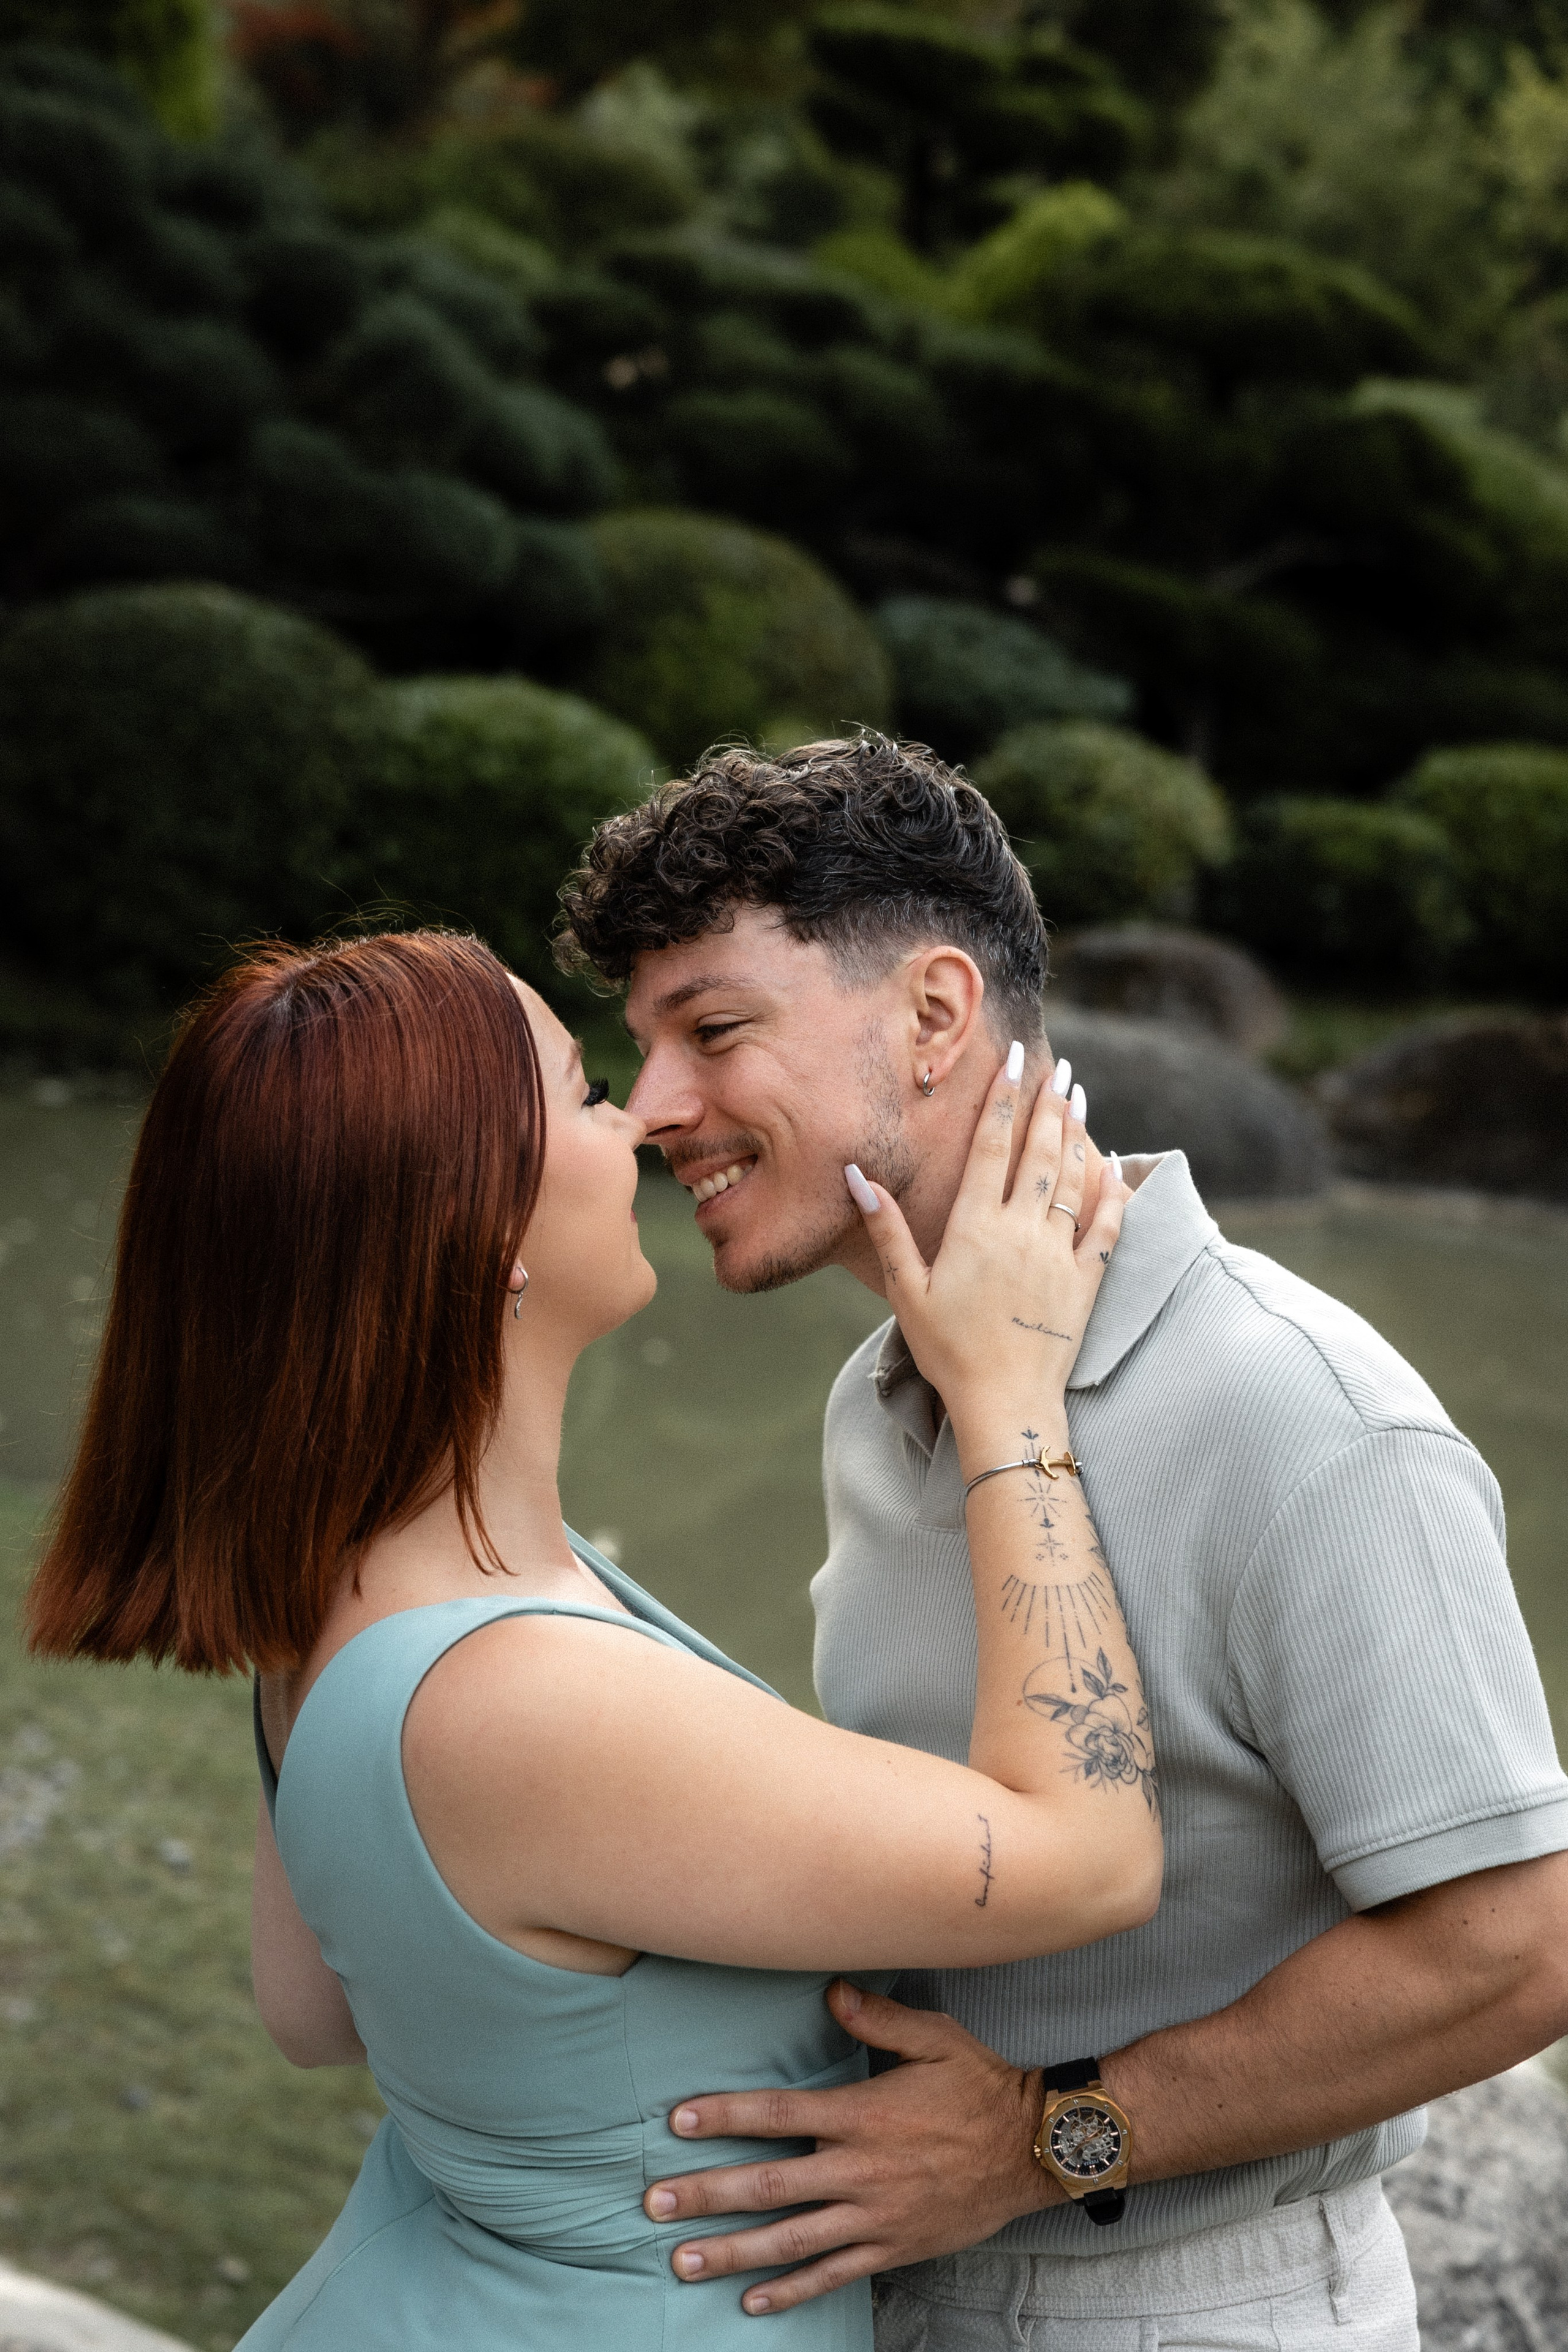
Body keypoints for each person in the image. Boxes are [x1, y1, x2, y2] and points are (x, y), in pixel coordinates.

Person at [552, 733, 1568, 2351]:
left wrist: (1046, 2135)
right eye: (644, 1045)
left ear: (937, 1016)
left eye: (715, 1030)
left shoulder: (1302, 1412)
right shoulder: (872, 1397)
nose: (657, 1105)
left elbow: (1515, 1954)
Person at [26, 926, 1161, 2351]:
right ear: (478, 1227)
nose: (636, 1118)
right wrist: (1006, 1396)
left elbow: (313, 2009)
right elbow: (1091, 1860)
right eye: (578, 1093)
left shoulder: (336, 1598)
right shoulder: (514, 1694)